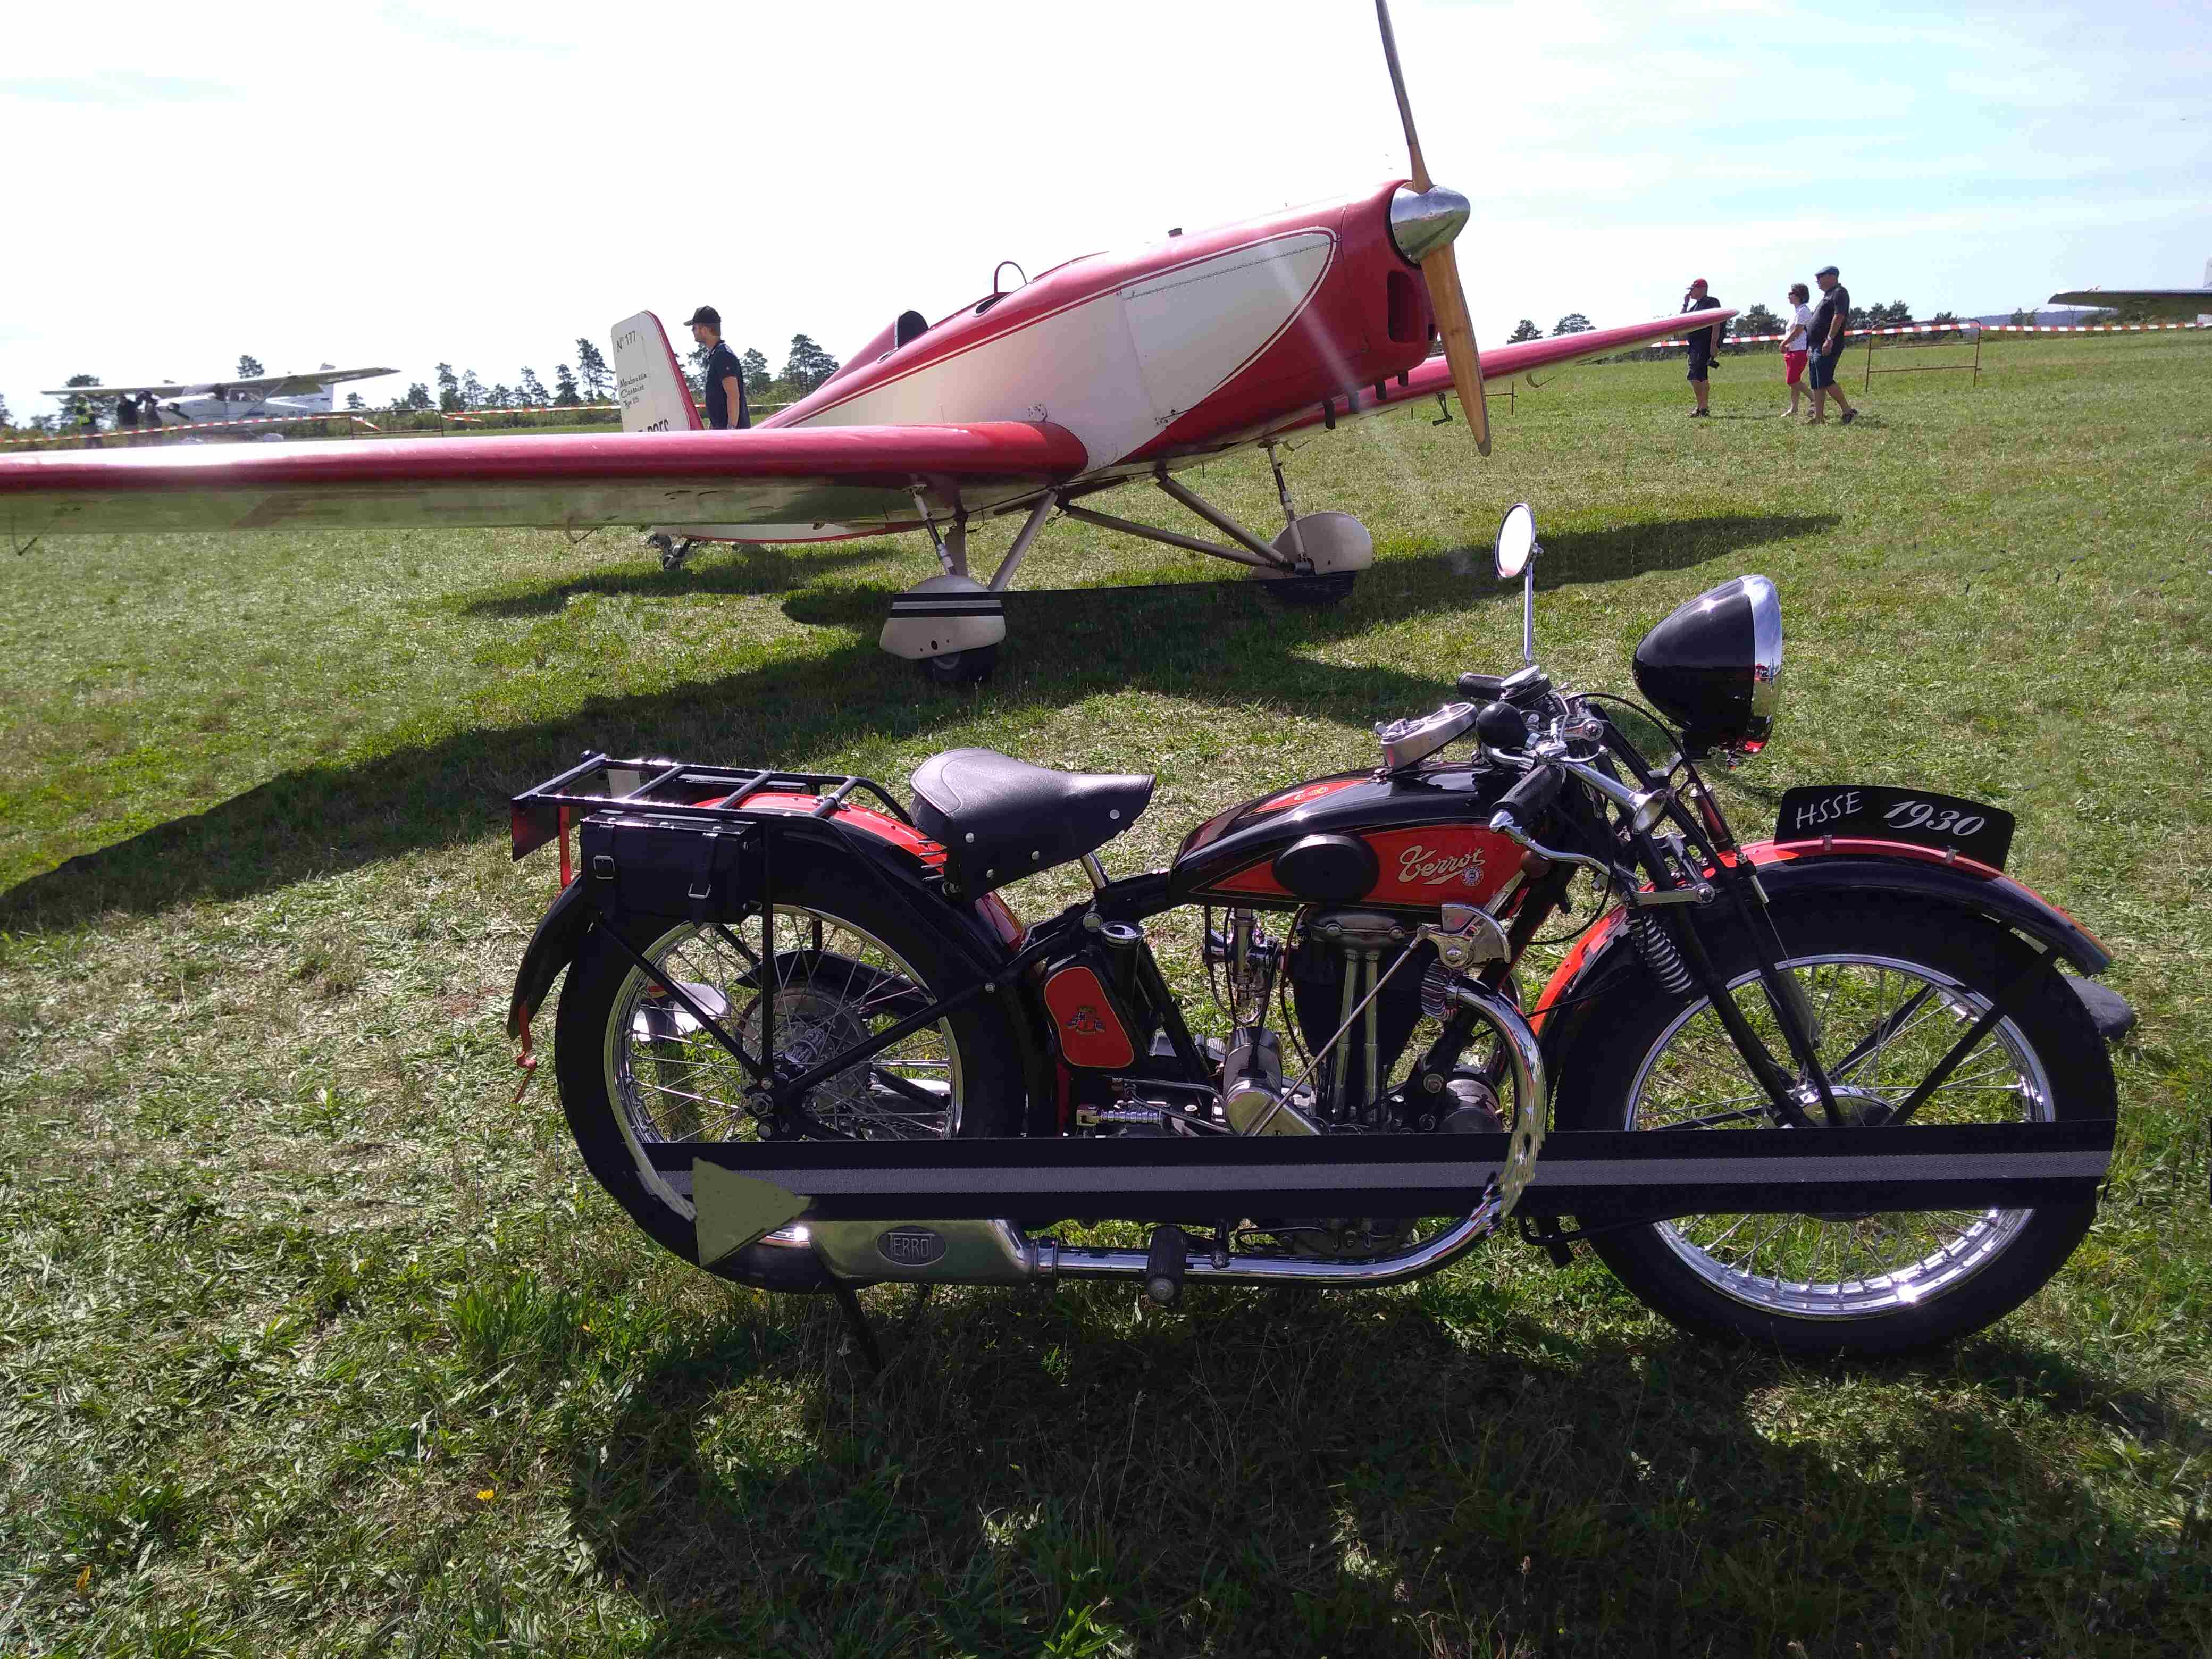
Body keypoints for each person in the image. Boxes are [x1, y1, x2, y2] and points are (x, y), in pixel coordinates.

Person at [1806, 264, 1858, 425]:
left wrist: (1829, 339)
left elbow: (1839, 316)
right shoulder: (1827, 295)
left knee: (1826, 379)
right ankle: (1819, 417)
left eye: (1820, 277)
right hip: (1816, 346)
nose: (1817, 281)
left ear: (1832, 276)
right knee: (1817, 382)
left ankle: (1848, 411)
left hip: (1827, 344)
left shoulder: (1840, 293)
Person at [684, 305, 750, 431]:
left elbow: (733, 395)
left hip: (732, 435)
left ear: (704, 330)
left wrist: (731, 430)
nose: (692, 331)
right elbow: (718, 398)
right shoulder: (716, 355)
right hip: (722, 431)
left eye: (694, 328)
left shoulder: (723, 355)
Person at [1680, 278, 1723, 415]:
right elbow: (1681, 321)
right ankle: (1702, 408)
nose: (1690, 292)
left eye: (1692, 289)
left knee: (1694, 375)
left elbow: (1716, 324)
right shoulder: (1695, 307)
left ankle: (1703, 408)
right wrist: (1685, 304)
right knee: (1701, 376)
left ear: (1701, 289)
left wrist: (1714, 344)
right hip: (1694, 345)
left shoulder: (1712, 302)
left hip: (1703, 345)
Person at [1780, 282, 1813, 419]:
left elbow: (1798, 331)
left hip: (1800, 350)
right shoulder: (1796, 311)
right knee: (1795, 381)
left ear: (1799, 295)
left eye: (1791, 294)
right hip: (1792, 350)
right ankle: (1794, 409)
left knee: (1792, 380)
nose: (1788, 296)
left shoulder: (1804, 311)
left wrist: (1784, 343)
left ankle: (1814, 398)